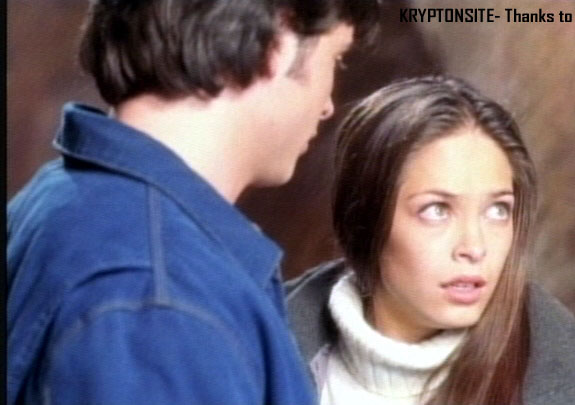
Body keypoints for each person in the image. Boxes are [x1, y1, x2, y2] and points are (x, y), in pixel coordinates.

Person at [7, 1, 379, 404]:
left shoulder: (64, 197)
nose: (327, 105)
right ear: (278, 43)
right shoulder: (157, 299)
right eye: (336, 58)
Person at [286, 76, 575, 405]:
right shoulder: (264, 352)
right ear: (363, 219)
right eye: (437, 210)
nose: (474, 247)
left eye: (497, 210)